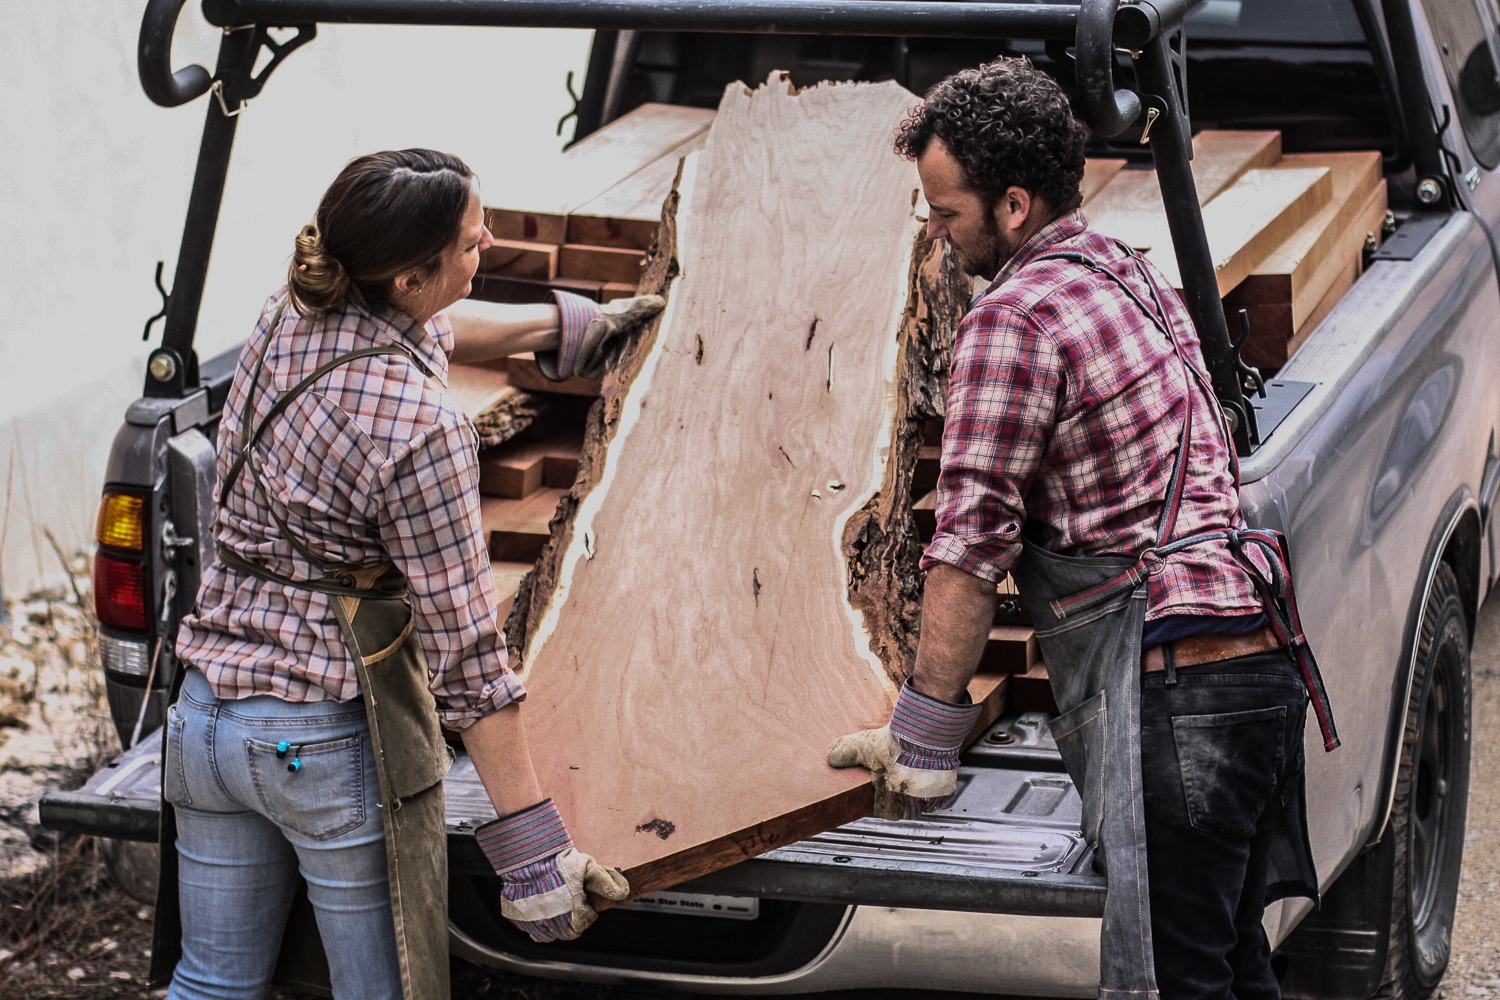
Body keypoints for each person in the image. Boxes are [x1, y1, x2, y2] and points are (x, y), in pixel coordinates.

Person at [829, 59, 1336, 1000]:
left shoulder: (1012, 320)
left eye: (945, 216)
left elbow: (972, 544)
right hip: (1258, 664)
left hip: (1178, 693)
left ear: (1013, 205)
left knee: (1172, 981)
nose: (936, 241)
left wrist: (926, 739)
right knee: (1226, 962)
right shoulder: (1131, 275)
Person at [162, 148, 664, 1000]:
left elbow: (437, 329)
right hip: (314, 744)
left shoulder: (290, 312)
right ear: (407, 277)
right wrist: (535, 856)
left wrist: (568, 325)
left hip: (206, 722)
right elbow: (466, 655)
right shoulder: (425, 429)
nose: (490, 244)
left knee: (212, 985)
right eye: (473, 243)